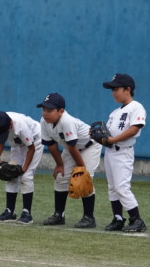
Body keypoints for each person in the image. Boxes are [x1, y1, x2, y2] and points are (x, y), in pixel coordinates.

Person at [37, 93, 102, 229]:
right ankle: (59, 215)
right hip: (71, 148)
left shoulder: (67, 121)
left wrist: (82, 169)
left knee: (85, 179)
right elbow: (51, 145)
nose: (45, 113)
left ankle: (89, 218)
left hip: (89, 146)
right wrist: (59, 165)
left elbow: (72, 148)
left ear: (61, 111)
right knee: (61, 177)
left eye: (49, 110)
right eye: (44, 109)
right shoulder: (44, 121)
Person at [98, 74, 147, 232]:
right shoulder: (114, 112)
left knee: (121, 187)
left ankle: (137, 220)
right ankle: (118, 218)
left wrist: (112, 140)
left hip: (123, 152)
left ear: (127, 89)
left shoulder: (136, 107)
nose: (113, 93)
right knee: (112, 187)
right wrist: (101, 138)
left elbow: (134, 129)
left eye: (116, 89)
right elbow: (108, 133)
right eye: (112, 90)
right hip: (110, 152)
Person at [0, 111, 43, 224]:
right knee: (10, 175)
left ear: (11, 125)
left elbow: (31, 149)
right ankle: (9, 212)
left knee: (26, 176)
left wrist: (24, 168)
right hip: (17, 145)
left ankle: (27, 214)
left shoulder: (21, 127)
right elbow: (0, 140)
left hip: (34, 142)